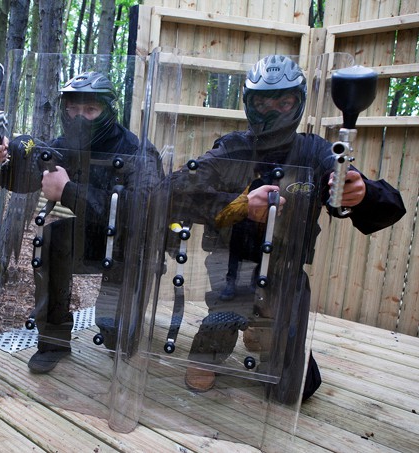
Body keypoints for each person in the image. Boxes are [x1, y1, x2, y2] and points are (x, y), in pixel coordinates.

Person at [170, 55, 406, 403]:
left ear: (298, 102)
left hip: (287, 272)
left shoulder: (315, 151)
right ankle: (241, 322)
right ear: (249, 103)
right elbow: (175, 191)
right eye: (263, 101)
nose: (273, 110)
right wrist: (239, 205)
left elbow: (378, 199)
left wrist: (362, 192)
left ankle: (262, 324)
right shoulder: (230, 149)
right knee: (206, 357)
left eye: (284, 101)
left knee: (293, 391)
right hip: (230, 270)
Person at [0, 71, 162, 373]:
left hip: (129, 243)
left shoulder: (137, 151)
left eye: (90, 110)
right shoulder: (66, 144)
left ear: (108, 110)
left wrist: (68, 191)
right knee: (52, 239)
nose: (80, 117)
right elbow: (26, 176)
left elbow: (141, 210)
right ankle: (53, 341)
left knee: (120, 339)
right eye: (73, 109)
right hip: (88, 233)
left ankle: (118, 329)